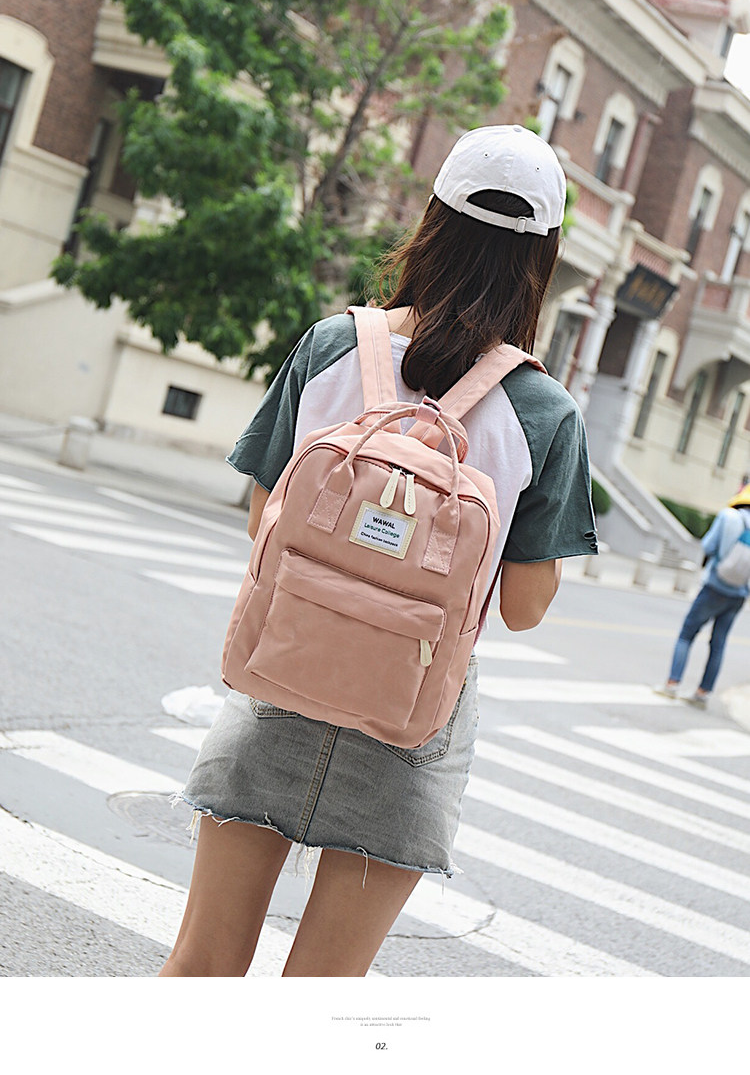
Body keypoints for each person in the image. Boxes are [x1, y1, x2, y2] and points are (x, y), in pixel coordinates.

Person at [160, 124, 598, 978]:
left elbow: (263, 526)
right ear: (542, 257)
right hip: (414, 716)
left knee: (203, 963)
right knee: (325, 990)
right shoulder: (545, 413)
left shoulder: (333, 346)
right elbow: (524, 607)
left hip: (283, 675)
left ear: (432, 222)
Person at [655, 484, 750, 708]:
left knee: (686, 634)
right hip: (739, 594)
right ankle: (702, 694)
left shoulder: (729, 517)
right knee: (718, 643)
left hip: (715, 586)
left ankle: (672, 684)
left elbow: (708, 546)